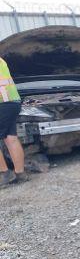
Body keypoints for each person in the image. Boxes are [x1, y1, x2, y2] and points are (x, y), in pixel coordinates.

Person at [0, 56, 26, 187]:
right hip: (12, 101)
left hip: (2, 103)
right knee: (11, 138)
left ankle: (5, 173)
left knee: (10, 138)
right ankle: (20, 173)